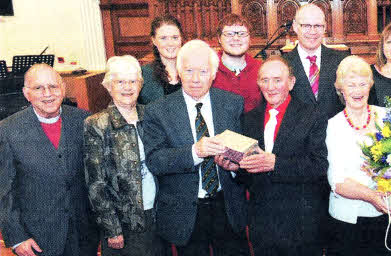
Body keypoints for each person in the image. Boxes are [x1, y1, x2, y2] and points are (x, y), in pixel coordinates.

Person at [142, 40, 248, 256]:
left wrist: (236, 166)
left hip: (226, 206)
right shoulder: (158, 111)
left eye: (203, 71)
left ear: (213, 74)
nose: (196, 79)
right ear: (179, 73)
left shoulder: (233, 104)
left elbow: (244, 154)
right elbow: (155, 160)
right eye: (189, 71)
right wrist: (194, 152)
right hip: (185, 212)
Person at [217, 56, 328, 255]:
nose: (271, 86)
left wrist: (275, 163)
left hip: (301, 223)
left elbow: (318, 166)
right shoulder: (249, 119)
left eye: (278, 80)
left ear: (291, 83)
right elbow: (250, 176)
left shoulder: (312, 115)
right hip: (263, 225)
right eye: (265, 80)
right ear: (258, 83)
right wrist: (236, 169)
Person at [0, 64, 99, 256]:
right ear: (27, 93)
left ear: (63, 89)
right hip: (38, 238)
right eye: (39, 88)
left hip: (85, 234)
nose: (48, 94)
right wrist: (17, 237)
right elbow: (4, 191)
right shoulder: (7, 130)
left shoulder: (85, 121)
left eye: (53, 86)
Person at [326, 55, 391, 256]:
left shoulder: (388, 116)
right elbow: (336, 182)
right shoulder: (334, 125)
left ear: (370, 86)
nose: (357, 90)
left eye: (363, 84)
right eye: (351, 85)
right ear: (341, 89)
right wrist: (372, 197)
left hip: (388, 213)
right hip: (348, 222)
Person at [83, 55, 162, 256]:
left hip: (157, 214)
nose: (127, 87)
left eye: (133, 81)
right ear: (109, 86)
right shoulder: (97, 124)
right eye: (120, 82)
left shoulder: (151, 116)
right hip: (123, 223)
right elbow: (96, 183)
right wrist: (112, 229)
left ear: (140, 85)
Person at [283, 3, 348, 119]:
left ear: (324, 27)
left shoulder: (342, 61)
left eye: (318, 26)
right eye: (307, 25)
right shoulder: (283, 64)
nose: (312, 31)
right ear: (295, 27)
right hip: (298, 134)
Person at [212, 14, 262, 113]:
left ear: (250, 39)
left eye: (242, 34)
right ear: (219, 39)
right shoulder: (208, 68)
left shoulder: (261, 69)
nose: (236, 38)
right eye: (229, 34)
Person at [138, 15, 183, 104]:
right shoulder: (143, 74)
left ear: (181, 39)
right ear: (154, 40)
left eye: (175, 37)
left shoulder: (192, 70)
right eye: (163, 38)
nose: (170, 43)